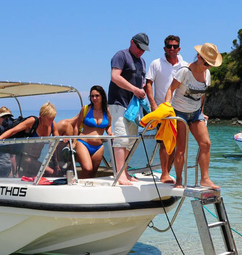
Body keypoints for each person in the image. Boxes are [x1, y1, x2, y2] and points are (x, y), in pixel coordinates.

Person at [164, 43, 221, 189]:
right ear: (199, 57)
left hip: (195, 113)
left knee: (206, 143)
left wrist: (202, 111)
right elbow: (171, 89)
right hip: (179, 112)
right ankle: (178, 180)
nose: (207, 66)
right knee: (181, 148)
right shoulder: (185, 71)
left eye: (210, 64)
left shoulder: (207, 74)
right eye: (205, 62)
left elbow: (202, 95)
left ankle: (205, 179)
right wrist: (166, 107)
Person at [145, 35, 187, 184]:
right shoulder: (156, 63)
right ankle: (163, 174)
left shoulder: (185, 65)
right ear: (164, 48)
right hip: (162, 108)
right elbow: (148, 83)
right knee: (165, 141)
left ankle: (168, 174)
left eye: (175, 46)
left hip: (180, 109)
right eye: (169, 46)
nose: (172, 49)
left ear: (179, 48)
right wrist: (152, 105)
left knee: (174, 143)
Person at [108, 33, 149, 185]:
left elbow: (141, 82)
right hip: (118, 102)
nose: (141, 51)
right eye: (139, 48)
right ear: (132, 42)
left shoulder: (143, 61)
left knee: (131, 140)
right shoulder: (121, 55)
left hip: (133, 106)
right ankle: (119, 175)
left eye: (144, 49)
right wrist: (134, 89)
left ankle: (125, 171)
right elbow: (115, 76)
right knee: (121, 139)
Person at [0, 102, 59, 176]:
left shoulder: (52, 125)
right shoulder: (33, 121)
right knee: (50, 172)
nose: (51, 121)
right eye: (49, 119)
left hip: (37, 159)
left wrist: (56, 164)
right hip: (25, 159)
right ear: (42, 115)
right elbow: (13, 130)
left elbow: (56, 143)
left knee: (53, 174)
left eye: (53, 118)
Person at [67, 85, 113, 178]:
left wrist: (110, 133)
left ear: (102, 96)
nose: (94, 98)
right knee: (88, 169)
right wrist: (74, 142)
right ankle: (78, 188)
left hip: (99, 147)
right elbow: (77, 126)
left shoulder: (107, 111)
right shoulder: (86, 109)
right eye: (92, 96)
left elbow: (108, 126)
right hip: (83, 143)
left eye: (97, 95)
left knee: (93, 173)